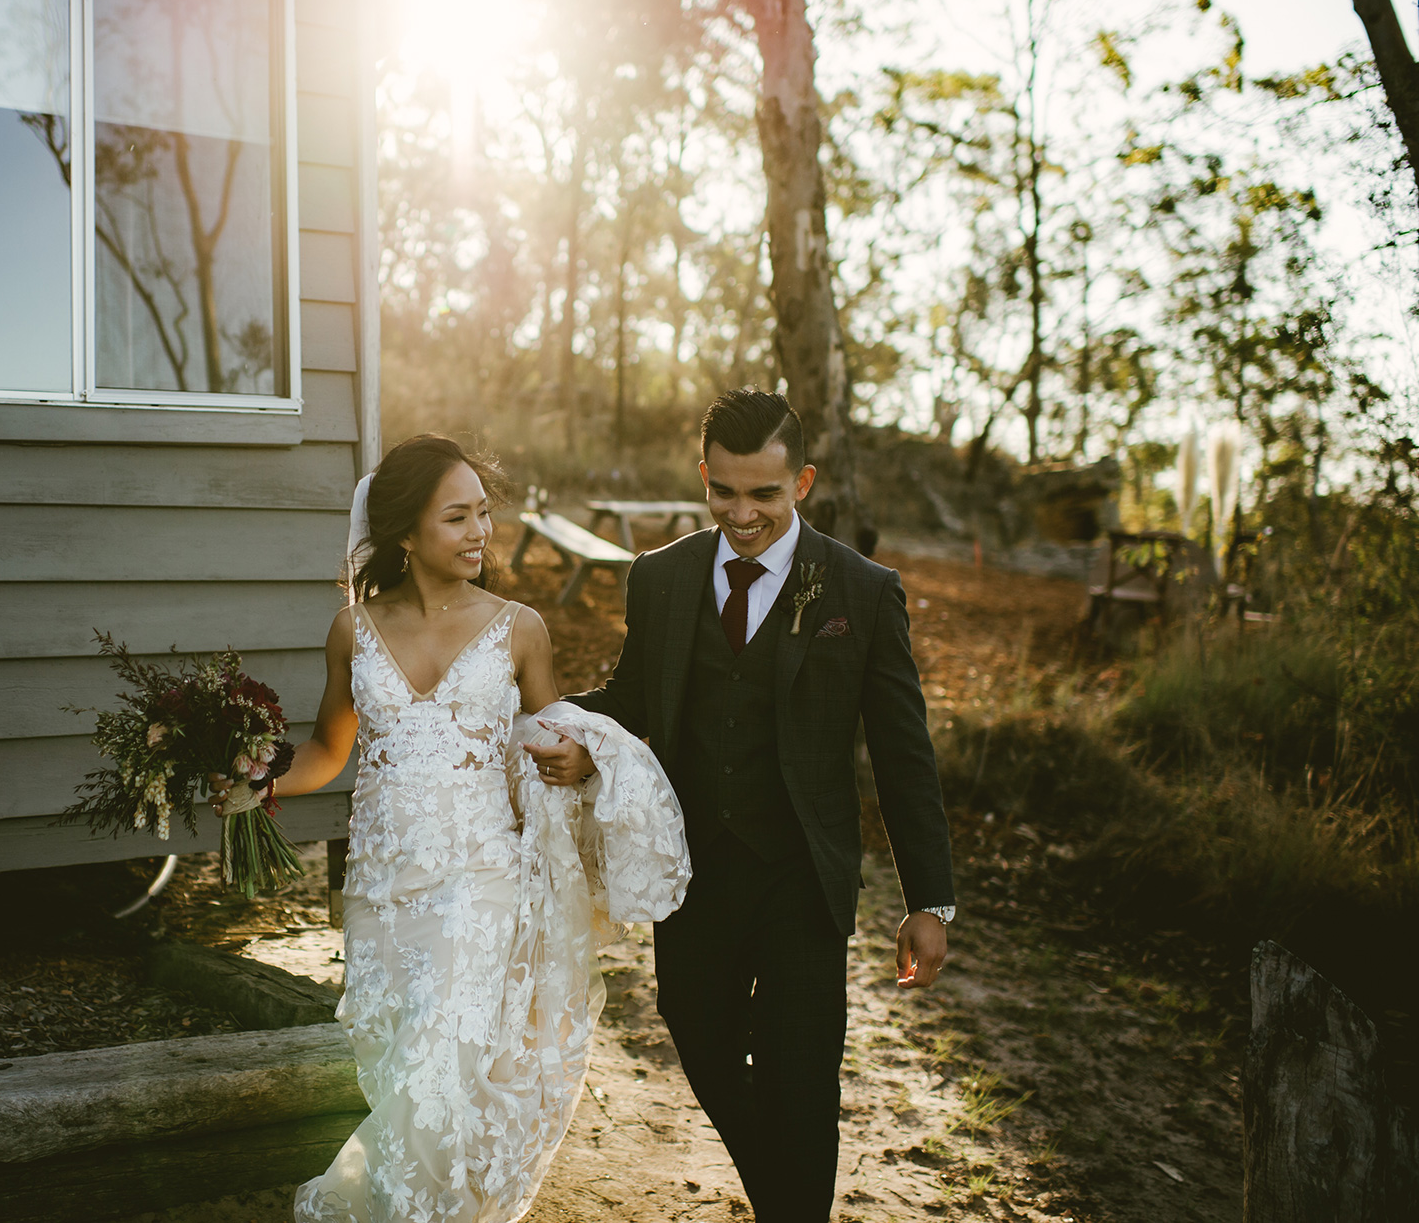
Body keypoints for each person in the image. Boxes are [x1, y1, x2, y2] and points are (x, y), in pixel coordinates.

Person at [217, 433, 690, 1223]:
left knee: (441, 1072)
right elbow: (330, 751)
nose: (480, 533)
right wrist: (256, 778)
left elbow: (552, 747)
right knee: (404, 1074)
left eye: (483, 513)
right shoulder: (352, 630)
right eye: (456, 517)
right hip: (380, 894)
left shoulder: (520, 629)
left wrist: (578, 760)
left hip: (482, 889)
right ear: (405, 533)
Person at [526, 388, 957, 1223]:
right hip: (697, 870)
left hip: (804, 876)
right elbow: (636, 699)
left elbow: (905, 754)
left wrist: (927, 900)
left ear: (802, 482)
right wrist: (562, 731)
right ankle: (789, 1200)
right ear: (704, 476)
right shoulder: (660, 578)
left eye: (763, 493)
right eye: (724, 490)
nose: (742, 512)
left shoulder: (862, 591)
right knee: (699, 1032)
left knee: (800, 1080)